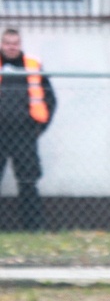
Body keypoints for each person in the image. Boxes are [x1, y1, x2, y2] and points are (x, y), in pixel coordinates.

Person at [0, 28, 56, 231]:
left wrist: (37, 130)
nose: (11, 47)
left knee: (28, 181)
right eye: (7, 43)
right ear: (2, 44)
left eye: (15, 43)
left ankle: (33, 228)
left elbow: (50, 100)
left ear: (20, 44)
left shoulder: (33, 66)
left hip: (24, 135)